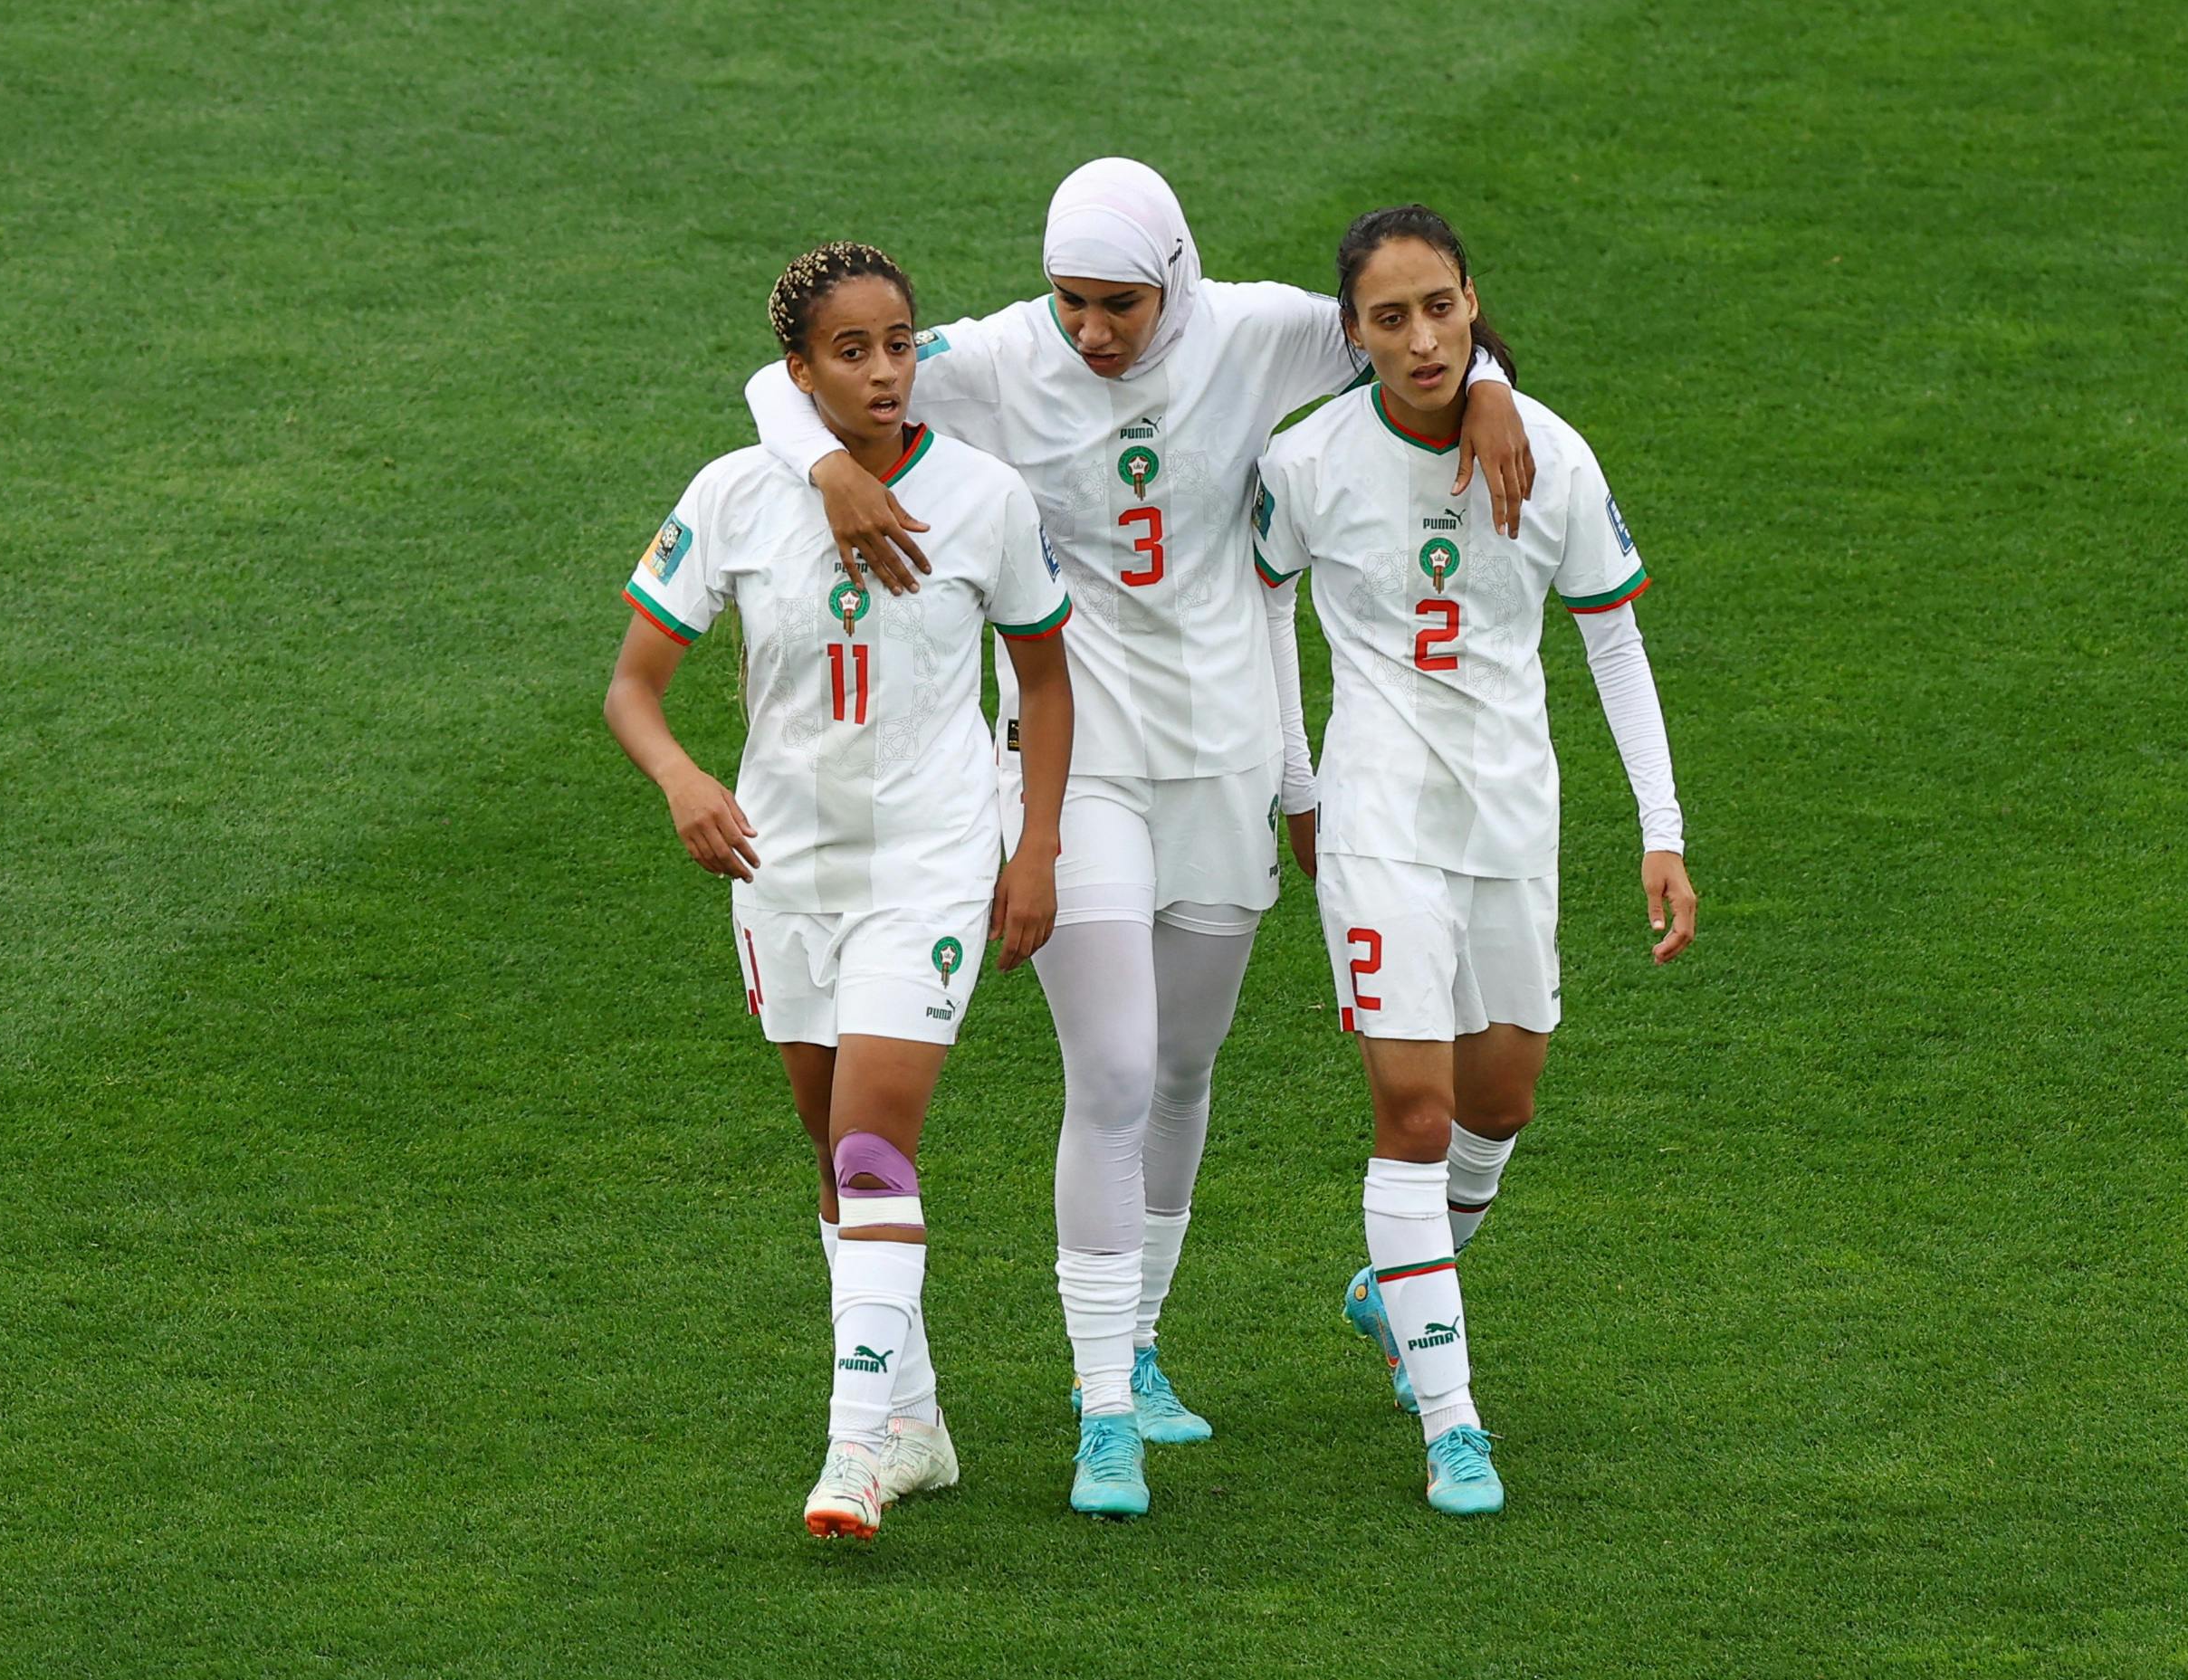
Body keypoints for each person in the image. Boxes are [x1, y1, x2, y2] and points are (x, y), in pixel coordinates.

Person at [740, 161, 1537, 1518]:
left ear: (1176, 275)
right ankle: (1098, 1402)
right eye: (1072, 302)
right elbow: (778, 380)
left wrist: (1497, 387)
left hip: (1222, 764)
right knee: (1108, 1066)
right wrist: (824, 463)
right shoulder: (995, 354)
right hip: (1080, 766)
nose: (1092, 331)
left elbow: (1409, 330)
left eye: (1119, 304)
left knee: (1180, 1067)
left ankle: (1146, 1344)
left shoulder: (1258, 327)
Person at [605, 242, 1075, 1542]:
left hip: (929, 862)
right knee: (834, 1156)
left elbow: (1043, 679)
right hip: (781, 867)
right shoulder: (737, 495)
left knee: (874, 1148)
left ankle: (853, 1448)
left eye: (901, 343)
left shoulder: (984, 498)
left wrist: (1031, 846)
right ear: (797, 370)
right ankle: (916, 1418)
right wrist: (683, 780)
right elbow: (630, 686)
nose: (884, 371)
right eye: (852, 351)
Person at [1252, 205, 1697, 1517]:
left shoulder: (1547, 451)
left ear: (1468, 303)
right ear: (1352, 335)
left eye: (1438, 307)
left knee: (1502, 1102)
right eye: (1387, 317)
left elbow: (1611, 638)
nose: (1420, 336)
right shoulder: (1307, 459)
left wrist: (1658, 827)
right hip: (1378, 817)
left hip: (1512, 816)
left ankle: (1395, 1280)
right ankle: (1452, 1422)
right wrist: (1299, 783)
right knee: (1414, 1112)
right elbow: (1267, 603)